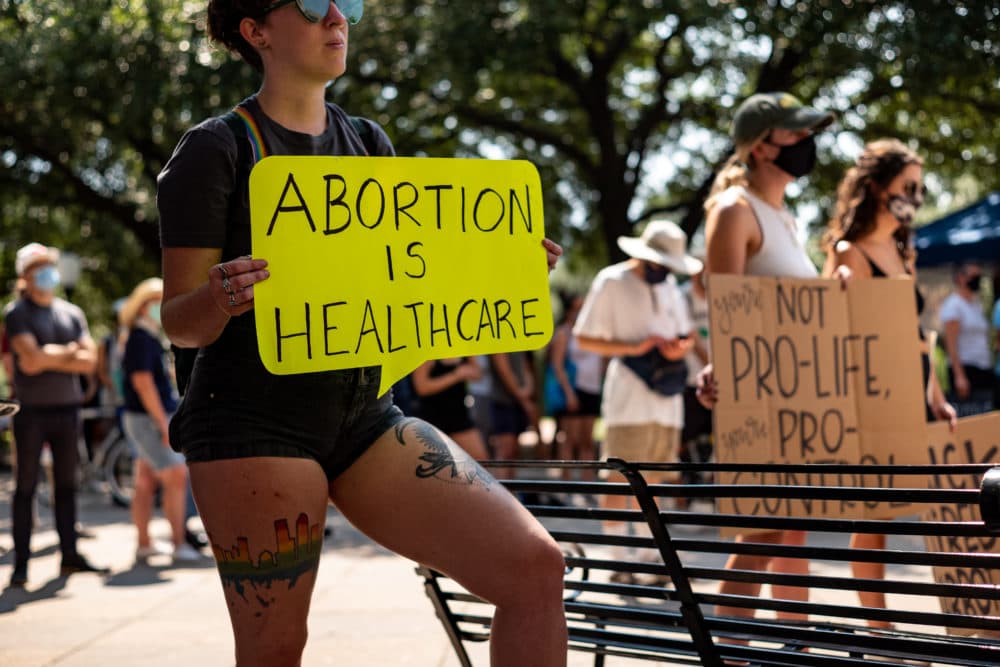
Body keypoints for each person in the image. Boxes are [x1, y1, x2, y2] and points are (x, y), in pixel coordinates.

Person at [156, 2, 567, 664]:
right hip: (248, 422)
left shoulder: (369, 142)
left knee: (536, 567)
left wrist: (499, 272)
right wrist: (220, 295)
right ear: (255, 31)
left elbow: (403, 290)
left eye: (347, 2)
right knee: (276, 645)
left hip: (367, 417)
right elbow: (178, 320)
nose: (338, 17)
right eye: (313, 3)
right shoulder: (217, 148)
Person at [699, 91, 836, 620]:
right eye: (796, 133)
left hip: (795, 392)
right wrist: (719, 368)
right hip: (757, 396)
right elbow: (725, 307)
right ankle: (730, 653)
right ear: (760, 147)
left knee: (791, 525)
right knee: (763, 529)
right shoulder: (735, 211)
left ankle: (792, 644)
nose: (808, 143)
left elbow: (793, 304)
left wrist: (835, 283)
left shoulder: (786, 217)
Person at [822, 137, 957, 626]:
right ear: (878, 188)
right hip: (872, 399)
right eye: (908, 186)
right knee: (874, 512)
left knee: (929, 502)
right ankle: (880, 629)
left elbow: (919, 336)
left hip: (913, 391)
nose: (916, 197)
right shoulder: (849, 252)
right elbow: (832, 330)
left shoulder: (906, 250)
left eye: (920, 188)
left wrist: (936, 396)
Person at [574, 219, 698, 583]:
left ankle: (649, 556)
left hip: (666, 396)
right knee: (619, 476)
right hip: (629, 394)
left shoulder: (672, 287)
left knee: (658, 477)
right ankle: (617, 558)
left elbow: (686, 332)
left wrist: (679, 349)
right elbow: (584, 338)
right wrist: (634, 347)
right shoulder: (612, 281)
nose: (662, 272)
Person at [4, 242, 108, 587]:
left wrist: (51, 356)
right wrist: (70, 354)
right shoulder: (16, 313)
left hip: (68, 410)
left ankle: (70, 556)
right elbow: (30, 362)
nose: (47, 272)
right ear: (26, 275)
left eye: (49, 265)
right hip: (30, 412)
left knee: (67, 486)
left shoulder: (72, 312)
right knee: (26, 488)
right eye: (39, 267)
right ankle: (21, 564)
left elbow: (91, 360)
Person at [120, 278, 202, 563]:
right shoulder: (141, 339)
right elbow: (143, 383)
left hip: (142, 417)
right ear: (142, 307)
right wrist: (161, 423)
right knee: (176, 476)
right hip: (147, 418)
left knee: (144, 481)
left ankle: (144, 543)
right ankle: (178, 543)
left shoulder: (145, 337)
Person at [545, 292, 603, 484]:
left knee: (587, 440)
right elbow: (557, 365)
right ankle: (567, 482)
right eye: (576, 308)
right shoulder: (564, 332)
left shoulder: (594, 330)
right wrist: (569, 393)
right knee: (570, 438)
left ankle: (588, 483)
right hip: (573, 389)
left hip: (592, 388)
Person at [939, 262, 994, 415]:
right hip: (966, 370)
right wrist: (959, 376)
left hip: (983, 368)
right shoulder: (954, 306)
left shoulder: (976, 304)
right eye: (973, 276)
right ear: (960, 278)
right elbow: (951, 344)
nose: (977, 280)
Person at [410, 357, 489, 460]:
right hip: (432, 418)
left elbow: (478, 374)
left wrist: (462, 373)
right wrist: (456, 375)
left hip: (459, 415)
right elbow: (421, 387)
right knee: (433, 464)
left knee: (481, 459)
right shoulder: (428, 352)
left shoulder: (463, 348)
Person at [488, 351, 538, 480]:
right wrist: (523, 399)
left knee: (513, 453)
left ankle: (510, 493)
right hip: (502, 402)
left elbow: (525, 367)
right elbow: (504, 370)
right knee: (505, 452)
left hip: (517, 403)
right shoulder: (499, 342)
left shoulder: (519, 342)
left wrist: (527, 389)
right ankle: (500, 494)